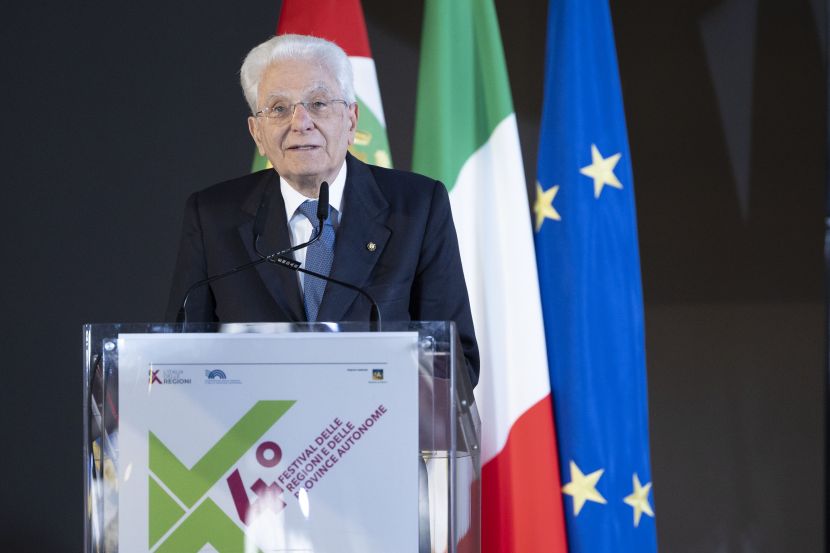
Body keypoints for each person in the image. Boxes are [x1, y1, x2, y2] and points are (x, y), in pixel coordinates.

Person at [165, 34, 479, 386]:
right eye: (279, 108)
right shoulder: (213, 216)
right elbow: (180, 363)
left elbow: (456, 362)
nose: (300, 122)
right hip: (257, 421)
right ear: (257, 133)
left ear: (351, 120)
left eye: (318, 103)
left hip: (375, 419)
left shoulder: (418, 207)